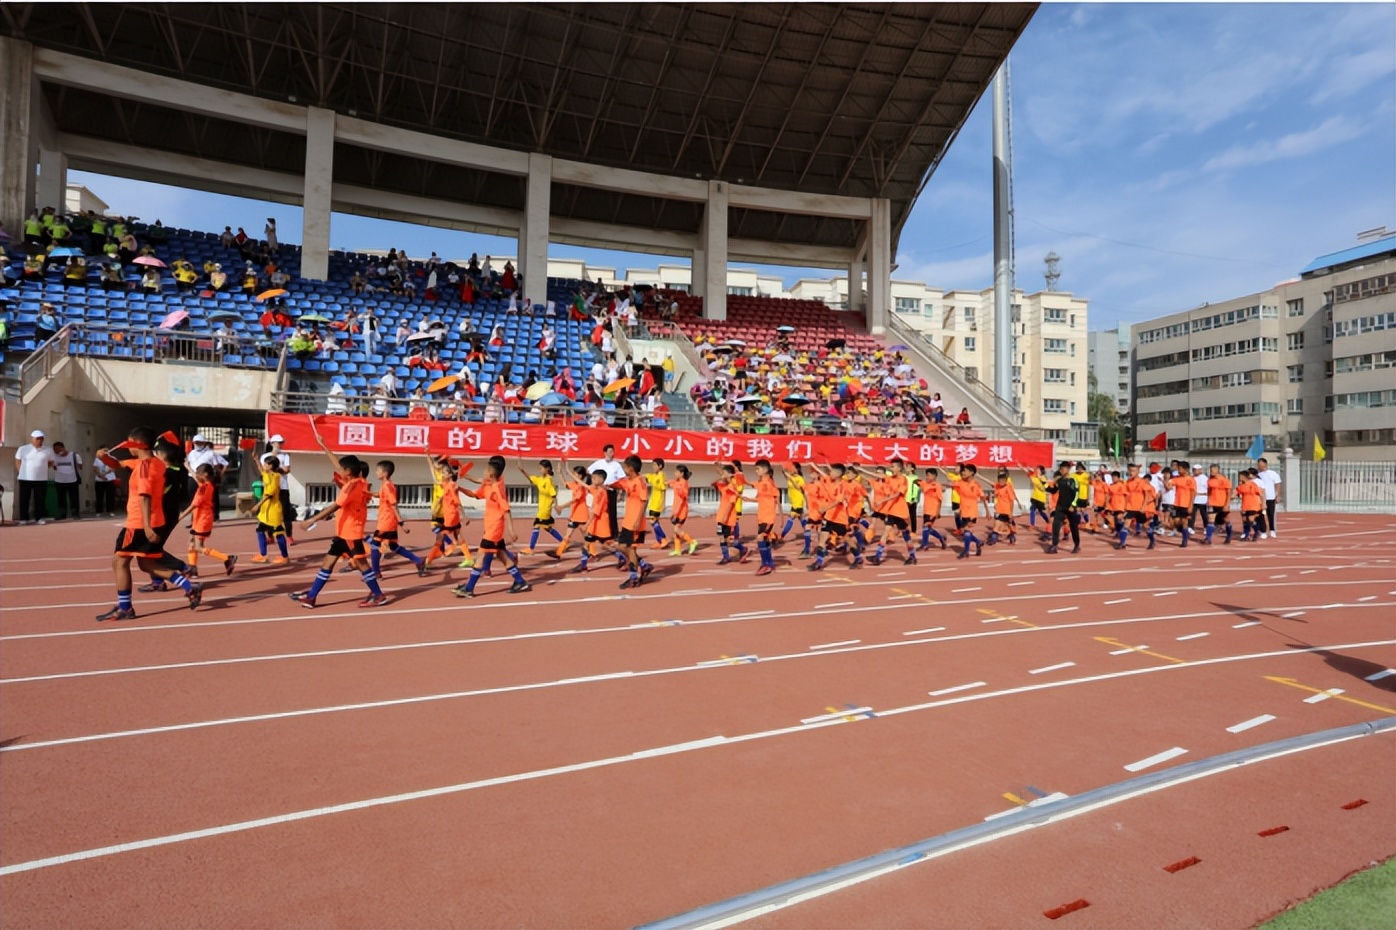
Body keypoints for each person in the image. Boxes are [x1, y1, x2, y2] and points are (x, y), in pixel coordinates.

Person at [95, 426, 202, 621]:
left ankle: (125, 607)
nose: (128, 447)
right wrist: (103, 457)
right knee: (146, 564)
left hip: (139, 523)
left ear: (137, 445)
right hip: (152, 521)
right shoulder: (154, 463)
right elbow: (117, 464)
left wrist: (146, 527)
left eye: (129, 443)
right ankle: (189, 586)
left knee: (119, 561)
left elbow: (145, 496)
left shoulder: (144, 467)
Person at [291, 443, 388, 609]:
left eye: (342, 470)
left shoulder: (351, 487)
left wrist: (311, 520)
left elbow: (336, 505)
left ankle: (379, 595)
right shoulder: (360, 483)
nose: (339, 472)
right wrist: (323, 446)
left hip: (351, 534)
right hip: (342, 533)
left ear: (348, 472)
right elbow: (338, 464)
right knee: (327, 563)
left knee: (362, 565)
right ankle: (312, 597)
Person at [453, 455, 531, 598]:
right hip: (492, 529)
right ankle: (520, 581)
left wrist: (512, 530)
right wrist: (460, 488)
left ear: (491, 473)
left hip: (494, 530)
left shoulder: (496, 489)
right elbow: (475, 495)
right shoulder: (490, 485)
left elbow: (506, 509)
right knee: (502, 555)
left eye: (485, 470)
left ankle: (469, 588)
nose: (483, 473)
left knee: (480, 556)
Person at [174, 464, 237, 578]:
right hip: (199, 519)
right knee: (191, 544)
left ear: (205, 475)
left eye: (198, 473)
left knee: (198, 546)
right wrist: (188, 467)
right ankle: (192, 568)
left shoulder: (204, 488)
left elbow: (194, 505)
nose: (196, 474)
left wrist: (180, 516)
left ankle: (227, 558)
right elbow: (195, 476)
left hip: (202, 520)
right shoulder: (206, 484)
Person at [369, 460, 427, 578]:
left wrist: (401, 523)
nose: (376, 473)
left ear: (385, 473)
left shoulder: (387, 486)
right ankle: (418, 560)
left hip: (387, 521)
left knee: (374, 545)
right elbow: (380, 495)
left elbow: (393, 504)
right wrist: (366, 493)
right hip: (387, 520)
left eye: (378, 470)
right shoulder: (388, 485)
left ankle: (376, 572)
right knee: (394, 546)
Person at [614, 455, 656, 589]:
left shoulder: (640, 482)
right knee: (621, 547)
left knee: (631, 548)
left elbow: (644, 501)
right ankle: (643, 565)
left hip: (635, 522)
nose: (623, 468)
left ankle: (633, 577)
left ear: (630, 468)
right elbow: (618, 484)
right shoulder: (628, 481)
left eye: (625, 466)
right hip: (627, 521)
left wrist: (638, 520)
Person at [518, 459, 564, 555]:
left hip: (545, 509)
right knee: (548, 528)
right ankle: (563, 542)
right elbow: (531, 478)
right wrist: (522, 470)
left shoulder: (548, 481)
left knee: (536, 526)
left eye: (541, 468)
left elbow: (553, 494)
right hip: (542, 508)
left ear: (547, 469)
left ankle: (531, 548)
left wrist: (556, 506)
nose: (540, 470)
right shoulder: (540, 479)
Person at [250, 454, 290, 564]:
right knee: (260, 530)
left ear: (271, 465)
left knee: (279, 533)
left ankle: (284, 556)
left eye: (266, 464)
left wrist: (257, 505)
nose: (264, 466)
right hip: (266, 511)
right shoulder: (268, 474)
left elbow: (269, 494)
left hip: (273, 510)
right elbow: (261, 471)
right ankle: (263, 555)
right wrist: (256, 460)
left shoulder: (276, 476)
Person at [14, 430, 54, 524]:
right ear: (32, 439)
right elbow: (17, 460)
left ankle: (39, 518)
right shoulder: (23, 449)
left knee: (40, 499)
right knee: (24, 499)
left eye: (41, 439)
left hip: (41, 478)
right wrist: (22, 471)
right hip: (25, 478)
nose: (39, 441)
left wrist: (42, 469)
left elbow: (50, 462)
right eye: (37, 439)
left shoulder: (48, 450)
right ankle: (24, 518)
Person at [185, 434, 228, 521]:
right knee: (193, 498)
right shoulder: (191, 454)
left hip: (206, 478)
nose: (198, 444)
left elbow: (217, 465)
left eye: (200, 443)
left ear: (204, 443)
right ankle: (194, 518)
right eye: (196, 443)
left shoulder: (210, 453)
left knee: (210, 498)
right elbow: (187, 464)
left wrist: (218, 475)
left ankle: (214, 516)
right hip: (192, 478)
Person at [951, 463, 987, 558]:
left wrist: (988, 511)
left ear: (971, 473)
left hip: (972, 512)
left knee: (967, 532)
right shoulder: (960, 482)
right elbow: (952, 484)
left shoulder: (976, 485)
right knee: (966, 532)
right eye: (962, 471)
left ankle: (966, 551)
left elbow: (983, 497)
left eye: (965, 471)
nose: (963, 472)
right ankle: (978, 542)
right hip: (964, 512)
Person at [1045, 461, 1080, 555]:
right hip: (1060, 506)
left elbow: (1076, 493)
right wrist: (1045, 486)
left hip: (1070, 506)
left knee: (1073, 527)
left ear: (1068, 469)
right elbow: (1054, 490)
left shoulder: (1073, 480)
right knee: (1056, 525)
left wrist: (1073, 505)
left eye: (1063, 469)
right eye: (1060, 469)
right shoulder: (1059, 481)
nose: (1061, 470)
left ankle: (1076, 544)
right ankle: (1054, 545)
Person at [267, 434, 296, 543]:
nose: (279, 445)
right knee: (270, 512)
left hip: (283, 487)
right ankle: (270, 535)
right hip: (270, 488)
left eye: (281, 443)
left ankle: (289, 535)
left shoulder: (285, 456)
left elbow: (287, 470)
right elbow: (265, 471)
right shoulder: (265, 457)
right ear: (272, 443)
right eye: (277, 443)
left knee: (286, 513)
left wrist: (275, 468)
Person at [50, 440, 83, 520]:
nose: (56, 451)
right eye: (55, 450)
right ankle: (62, 514)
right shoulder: (54, 457)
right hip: (59, 480)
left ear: (63, 448)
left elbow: (80, 466)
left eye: (58, 449)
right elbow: (54, 467)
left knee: (74, 498)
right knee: (61, 499)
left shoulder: (74, 455)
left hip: (72, 480)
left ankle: (75, 514)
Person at [1204, 464, 1233, 545]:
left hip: (1222, 503)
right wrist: (1208, 500)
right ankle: (1208, 538)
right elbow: (1209, 491)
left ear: (1217, 470)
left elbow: (1229, 492)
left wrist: (1227, 504)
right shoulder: (1210, 480)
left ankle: (1229, 536)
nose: (1211, 471)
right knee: (1210, 520)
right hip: (1213, 503)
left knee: (1226, 520)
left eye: (1212, 470)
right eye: (1210, 470)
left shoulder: (1224, 480)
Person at [1254, 457, 1281, 538]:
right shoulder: (1257, 475)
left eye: (1261, 464)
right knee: (1260, 515)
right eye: (1259, 464)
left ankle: (1272, 530)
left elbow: (1278, 484)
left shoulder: (1273, 473)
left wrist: (1278, 495)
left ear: (1265, 464)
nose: (1260, 466)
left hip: (1270, 497)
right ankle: (1262, 531)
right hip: (1260, 498)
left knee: (1271, 514)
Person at [93, 447, 118, 517]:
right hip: (99, 480)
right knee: (99, 496)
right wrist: (101, 475)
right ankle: (98, 511)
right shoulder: (97, 459)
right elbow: (95, 468)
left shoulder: (112, 458)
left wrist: (105, 473)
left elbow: (113, 468)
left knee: (110, 495)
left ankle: (111, 510)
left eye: (106, 451)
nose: (105, 452)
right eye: (103, 451)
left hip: (110, 479)